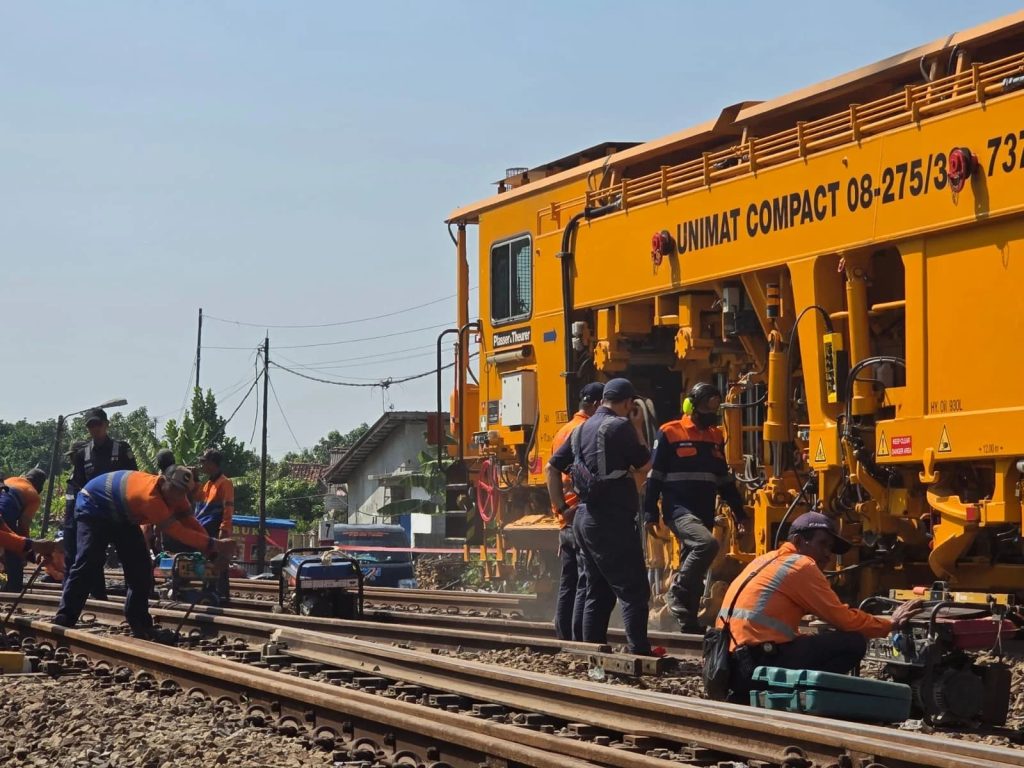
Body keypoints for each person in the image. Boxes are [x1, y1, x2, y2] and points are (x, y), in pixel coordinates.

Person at [718, 511, 924, 703]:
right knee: (852, 643)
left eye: (830, 548)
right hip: (754, 665)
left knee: (815, 639)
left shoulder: (764, 560)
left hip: (727, 666)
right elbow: (844, 620)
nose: (828, 554)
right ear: (798, 541)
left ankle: (763, 693)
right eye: (822, 544)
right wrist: (890, 624)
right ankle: (799, 698)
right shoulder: (801, 565)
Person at [54, 466, 236, 640]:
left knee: (141, 568)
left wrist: (212, 552)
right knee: (89, 561)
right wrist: (215, 544)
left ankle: (140, 623)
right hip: (94, 505)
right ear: (163, 481)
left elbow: (190, 522)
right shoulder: (150, 498)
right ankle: (65, 616)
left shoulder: (178, 498)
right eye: (174, 489)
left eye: (182, 492)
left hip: (123, 515)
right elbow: (177, 531)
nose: (177, 495)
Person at [547, 377, 653, 655]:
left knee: (597, 589)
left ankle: (590, 650)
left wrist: (561, 508)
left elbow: (552, 467)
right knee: (634, 589)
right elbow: (645, 462)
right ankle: (639, 651)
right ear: (629, 403)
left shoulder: (580, 430)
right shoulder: (619, 427)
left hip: (583, 517)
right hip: (611, 519)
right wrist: (638, 426)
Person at [644, 382, 749, 633]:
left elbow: (723, 480)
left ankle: (688, 622)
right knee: (707, 544)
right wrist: (650, 512)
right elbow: (654, 476)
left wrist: (740, 513)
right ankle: (677, 592)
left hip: (703, 512)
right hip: (678, 510)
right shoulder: (670, 432)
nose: (711, 412)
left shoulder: (715, 436)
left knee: (692, 562)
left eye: (714, 406)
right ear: (691, 406)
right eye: (706, 406)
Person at [550, 382, 604, 641]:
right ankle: (578, 638)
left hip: (566, 515)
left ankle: (563, 635)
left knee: (569, 579)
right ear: (596, 404)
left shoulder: (563, 430)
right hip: (578, 512)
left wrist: (561, 509)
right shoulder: (585, 431)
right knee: (584, 579)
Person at [65, 409, 137, 599]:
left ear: (106, 424)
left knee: (132, 558)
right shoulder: (82, 455)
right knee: (88, 558)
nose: (94, 429)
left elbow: (133, 478)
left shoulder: (121, 449)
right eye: (90, 425)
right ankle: (97, 598)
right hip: (95, 515)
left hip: (120, 513)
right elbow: (78, 485)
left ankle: (136, 600)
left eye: (98, 424)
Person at [194, 448, 235, 599]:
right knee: (207, 561)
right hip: (204, 528)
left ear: (212, 463)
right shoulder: (208, 484)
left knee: (219, 561)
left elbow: (228, 508)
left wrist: (224, 529)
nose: (202, 465)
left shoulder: (225, 483)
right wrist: (195, 480)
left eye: (204, 462)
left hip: (215, 528)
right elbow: (198, 499)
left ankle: (221, 593)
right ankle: (209, 589)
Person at [0, 468, 48, 591]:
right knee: (13, 551)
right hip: (7, 512)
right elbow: (23, 523)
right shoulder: (34, 496)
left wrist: (25, 547)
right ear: (39, 486)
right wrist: (27, 547)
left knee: (12, 543)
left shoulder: (10, 480)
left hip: (3, 515)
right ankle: (14, 587)